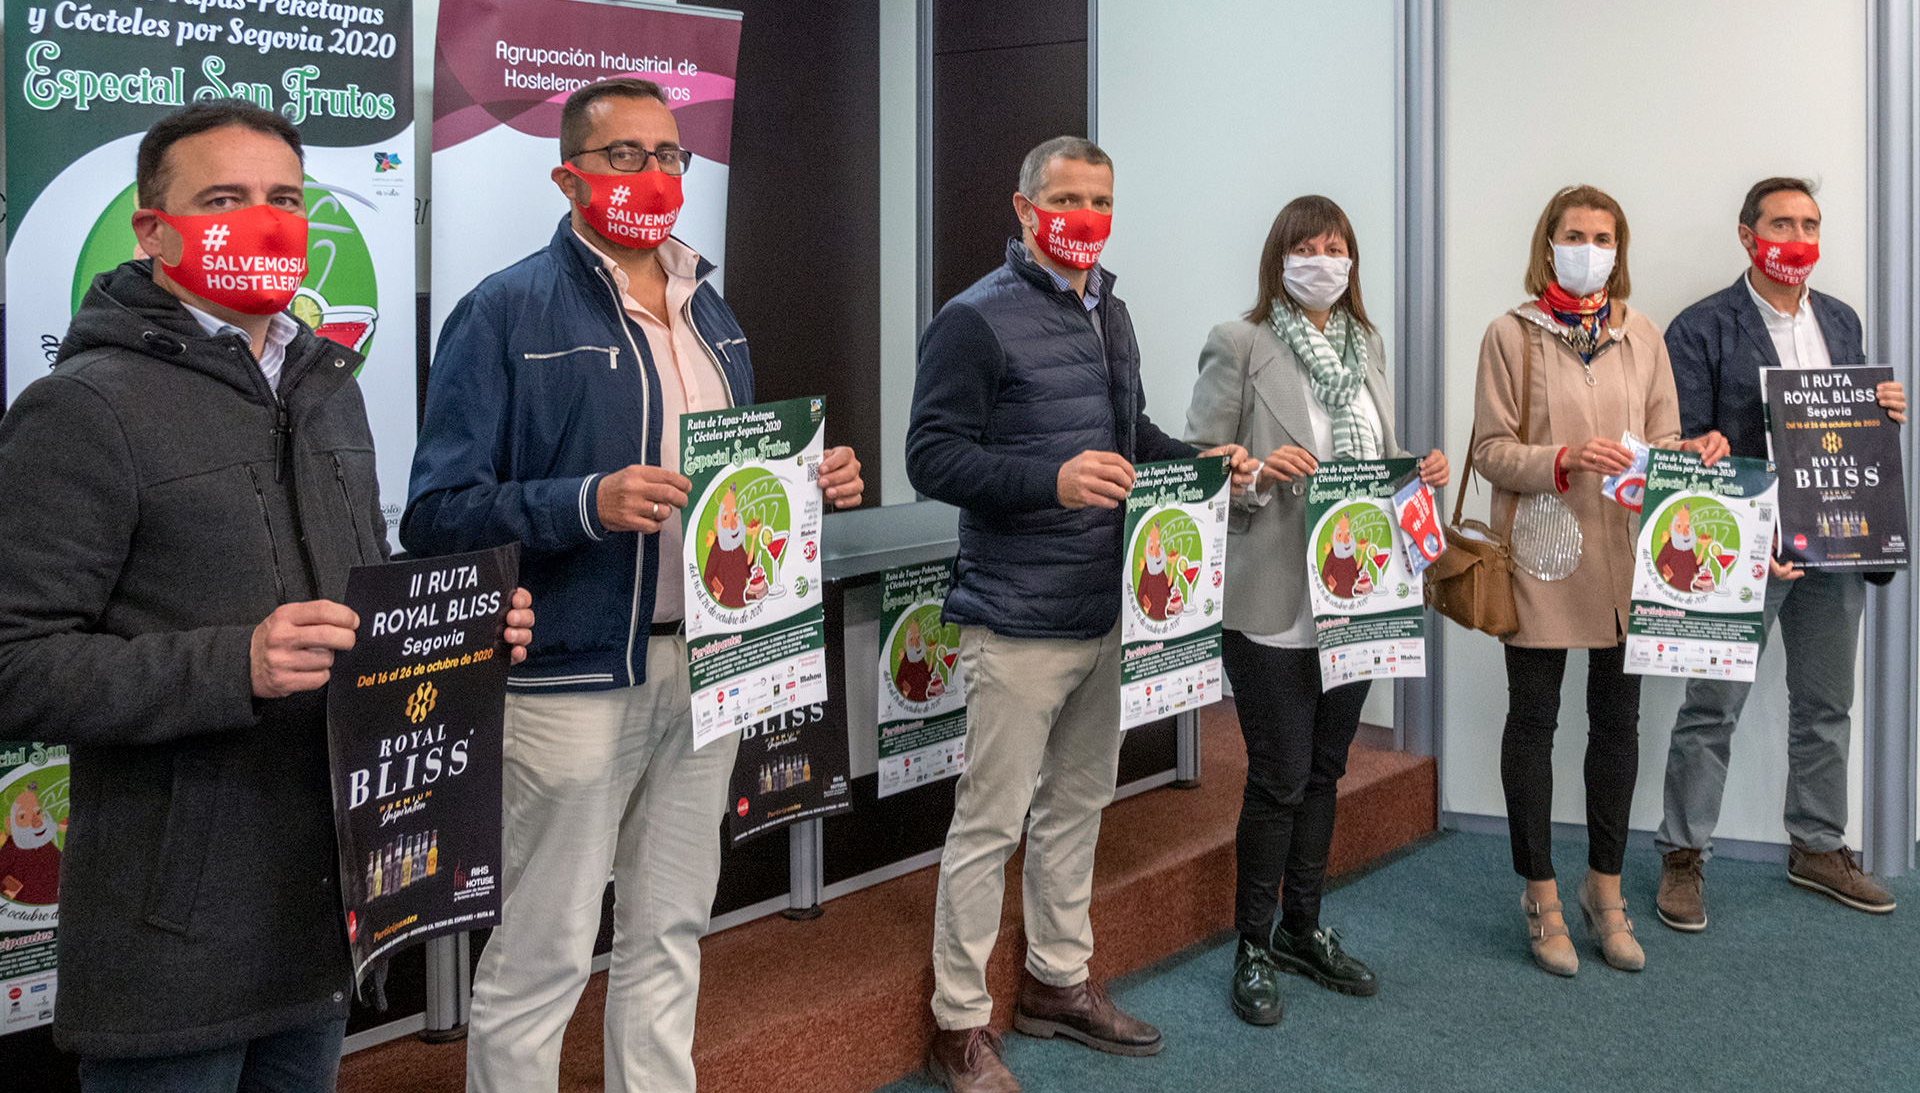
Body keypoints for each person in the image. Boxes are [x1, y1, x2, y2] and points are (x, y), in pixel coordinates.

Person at [0, 100, 534, 1090]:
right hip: (176, 929)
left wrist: (457, 628)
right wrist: (231, 662)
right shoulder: (83, 407)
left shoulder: (331, 386)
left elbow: (358, 599)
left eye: (284, 197)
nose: (263, 219)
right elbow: (15, 663)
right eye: (224, 197)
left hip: (326, 898)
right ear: (152, 229)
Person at [402, 76, 863, 1093]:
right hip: (571, 676)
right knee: (546, 946)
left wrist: (807, 481)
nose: (653, 175)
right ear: (569, 172)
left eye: (669, 155)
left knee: (671, 928)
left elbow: (733, 488)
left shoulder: (714, 307)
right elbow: (435, 515)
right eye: (625, 155)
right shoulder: (504, 308)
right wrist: (584, 502)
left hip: (711, 667)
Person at [907, 135, 1255, 1093]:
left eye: (1101, 200)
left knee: (1076, 809)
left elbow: (1127, 435)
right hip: (1017, 618)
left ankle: (1059, 982)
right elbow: (931, 459)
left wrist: (1195, 459)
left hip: (1106, 610)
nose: (1086, 217)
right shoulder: (974, 321)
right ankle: (960, 1022)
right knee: (989, 824)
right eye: (1067, 198)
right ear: (1023, 209)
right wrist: (1048, 482)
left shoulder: (1112, 308)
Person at [1184, 194, 1449, 1026]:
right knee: (1278, 774)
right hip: (1270, 598)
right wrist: (1257, 471)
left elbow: (1368, 461)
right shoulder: (1241, 343)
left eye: (1335, 246)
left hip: (1359, 594)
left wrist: (1420, 470)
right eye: (1308, 245)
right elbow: (1197, 469)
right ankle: (1252, 945)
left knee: (1328, 770)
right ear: (1280, 257)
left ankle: (1304, 925)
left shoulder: (1365, 343)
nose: (1323, 258)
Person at [1471, 184, 1728, 977]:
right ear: (1547, 244)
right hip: (1542, 554)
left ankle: (1605, 891)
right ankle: (1540, 893)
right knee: (1534, 724)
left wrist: (1695, 453)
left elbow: (1661, 442)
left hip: (1623, 557)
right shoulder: (1511, 334)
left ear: (1620, 249)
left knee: (1618, 728)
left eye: (1604, 236)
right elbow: (1488, 450)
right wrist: (1562, 459)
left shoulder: (1640, 333)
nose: (1590, 249)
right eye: (1575, 234)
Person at [1654, 177, 1906, 930]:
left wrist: (1882, 411)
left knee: (1827, 705)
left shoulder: (1840, 319)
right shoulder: (1700, 328)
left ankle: (1818, 847)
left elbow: (1848, 439)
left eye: (1810, 223)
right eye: (1782, 223)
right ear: (1746, 234)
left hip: (1832, 545)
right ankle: (1682, 855)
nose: (1798, 237)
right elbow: (1683, 442)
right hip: (1744, 551)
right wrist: (1737, 499)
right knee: (1711, 708)